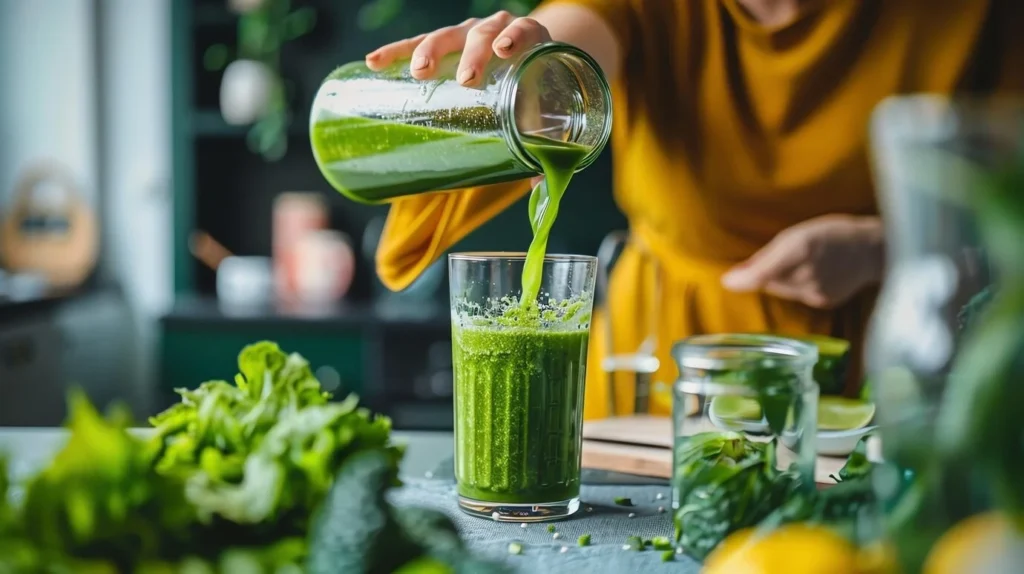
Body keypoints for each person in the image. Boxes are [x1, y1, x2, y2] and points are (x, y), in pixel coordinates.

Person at [367, 0, 1024, 419]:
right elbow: (567, 49)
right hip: (653, 375)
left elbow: (1008, 208)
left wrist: (885, 247)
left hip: (877, 378)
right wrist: (518, 72)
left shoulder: (975, 15)